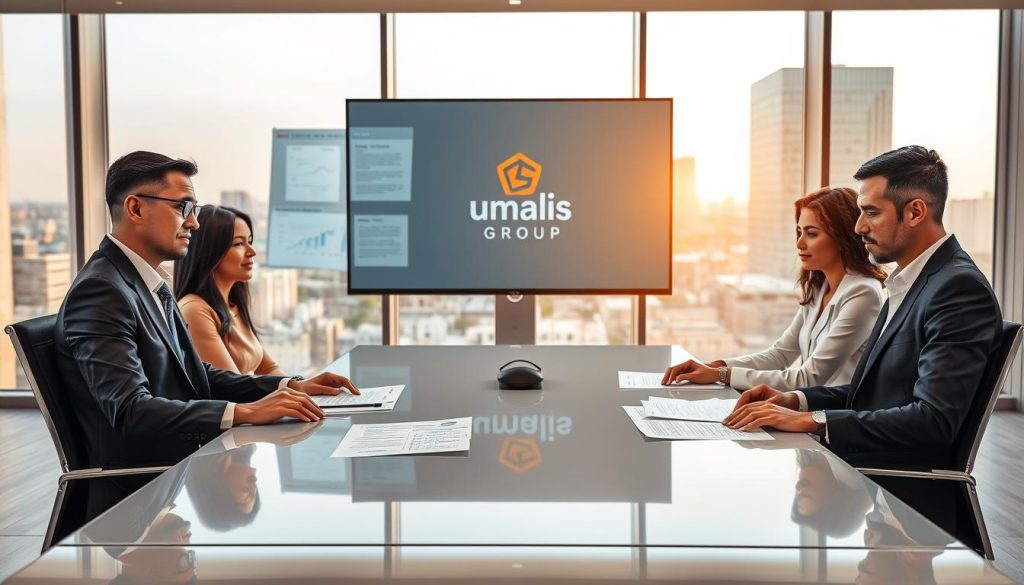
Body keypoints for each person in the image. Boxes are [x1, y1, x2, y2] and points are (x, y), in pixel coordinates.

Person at [54, 151, 359, 518]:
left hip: (177, 469)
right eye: (183, 207)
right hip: (141, 491)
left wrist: (288, 387)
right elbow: (130, 411)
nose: (194, 223)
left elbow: (196, 375)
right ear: (135, 209)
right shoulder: (102, 291)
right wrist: (244, 412)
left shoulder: (144, 283)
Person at [723, 146, 1002, 472]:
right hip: (862, 465)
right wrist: (796, 400)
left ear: (914, 213)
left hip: (892, 485)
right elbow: (872, 395)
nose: (858, 228)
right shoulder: (909, 282)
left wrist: (812, 421)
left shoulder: (957, 289)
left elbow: (933, 420)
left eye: (871, 213)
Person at [662, 186, 885, 391]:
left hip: (833, 424)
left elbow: (809, 378)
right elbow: (780, 355)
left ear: (842, 237)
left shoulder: (863, 294)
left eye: (811, 234)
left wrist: (721, 374)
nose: (799, 244)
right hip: (804, 413)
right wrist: (714, 366)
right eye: (799, 232)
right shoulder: (819, 288)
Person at [173, 205, 284, 376]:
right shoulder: (194, 310)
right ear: (209, 251)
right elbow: (233, 388)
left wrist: (304, 387)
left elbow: (269, 369)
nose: (252, 252)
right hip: (243, 402)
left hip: (256, 401)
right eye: (239, 243)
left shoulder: (233, 305)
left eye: (250, 241)